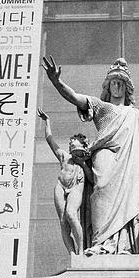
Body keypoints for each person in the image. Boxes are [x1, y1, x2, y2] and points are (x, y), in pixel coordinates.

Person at [42, 56, 139, 255]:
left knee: (134, 197)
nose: (117, 86)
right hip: (104, 157)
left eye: (121, 83)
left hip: (132, 162)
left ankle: (124, 245)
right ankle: (100, 242)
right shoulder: (100, 106)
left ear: (127, 87)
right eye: (114, 82)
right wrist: (56, 81)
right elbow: (75, 97)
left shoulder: (136, 114)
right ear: (108, 86)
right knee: (100, 193)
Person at [37, 108, 92, 254]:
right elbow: (50, 139)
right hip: (60, 186)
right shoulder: (64, 157)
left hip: (76, 187)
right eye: (71, 145)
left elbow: (92, 180)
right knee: (63, 222)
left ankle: (80, 251)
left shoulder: (87, 162)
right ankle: (71, 253)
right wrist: (47, 122)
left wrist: (83, 163)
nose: (71, 145)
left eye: (74, 144)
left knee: (71, 214)